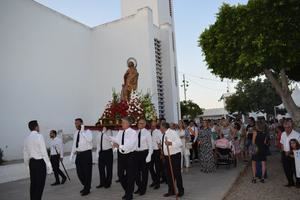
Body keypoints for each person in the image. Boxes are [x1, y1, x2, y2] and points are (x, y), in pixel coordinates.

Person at [24, 120, 53, 200]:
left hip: (32, 163)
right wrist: (49, 166)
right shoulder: (39, 136)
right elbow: (44, 152)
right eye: (38, 126)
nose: (39, 127)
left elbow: (25, 154)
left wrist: (27, 166)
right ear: (36, 127)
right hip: (39, 163)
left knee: (33, 184)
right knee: (39, 186)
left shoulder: (26, 138)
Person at [111, 117, 138, 200]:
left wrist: (119, 146)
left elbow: (130, 145)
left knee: (130, 176)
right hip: (121, 155)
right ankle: (127, 191)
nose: (121, 124)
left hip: (130, 155)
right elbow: (117, 140)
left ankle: (129, 194)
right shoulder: (120, 131)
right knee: (120, 175)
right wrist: (113, 142)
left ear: (128, 123)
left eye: (123, 122)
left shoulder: (133, 133)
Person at [160, 122, 184, 197]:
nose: (160, 128)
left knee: (177, 174)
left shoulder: (172, 132)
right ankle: (171, 190)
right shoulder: (163, 134)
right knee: (169, 175)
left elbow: (180, 143)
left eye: (160, 127)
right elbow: (164, 145)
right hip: (167, 156)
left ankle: (181, 191)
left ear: (164, 127)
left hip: (175, 156)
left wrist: (170, 143)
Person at [70, 118, 93, 196]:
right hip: (79, 154)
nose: (76, 125)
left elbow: (90, 140)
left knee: (87, 173)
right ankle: (86, 185)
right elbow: (74, 144)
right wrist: (71, 155)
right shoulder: (76, 132)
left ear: (82, 123)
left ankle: (87, 189)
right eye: (75, 123)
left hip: (86, 154)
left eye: (77, 123)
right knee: (80, 173)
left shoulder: (88, 131)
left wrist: (83, 132)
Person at [134, 119, 153, 195]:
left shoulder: (147, 133)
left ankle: (143, 189)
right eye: (138, 123)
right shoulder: (136, 132)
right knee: (136, 173)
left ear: (144, 124)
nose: (139, 124)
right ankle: (139, 186)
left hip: (144, 153)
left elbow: (150, 146)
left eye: (141, 123)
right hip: (136, 154)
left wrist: (149, 155)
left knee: (144, 173)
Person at [280, 118, 300, 187]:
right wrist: (283, 150)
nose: (286, 129)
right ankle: (290, 182)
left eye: (288, 127)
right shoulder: (283, 134)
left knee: (296, 170)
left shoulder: (297, 135)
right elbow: (282, 143)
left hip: (294, 155)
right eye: (285, 127)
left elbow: (298, 147)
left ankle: (298, 183)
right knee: (286, 169)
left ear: (292, 126)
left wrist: (290, 152)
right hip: (284, 154)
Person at [149, 120, 162, 189]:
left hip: (157, 151)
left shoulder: (158, 131)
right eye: (152, 125)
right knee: (150, 167)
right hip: (150, 151)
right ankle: (154, 180)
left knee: (157, 167)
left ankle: (158, 183)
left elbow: (160, 140)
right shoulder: (148, 131)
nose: (153, 126)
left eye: (154, 125)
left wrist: (161, 150)